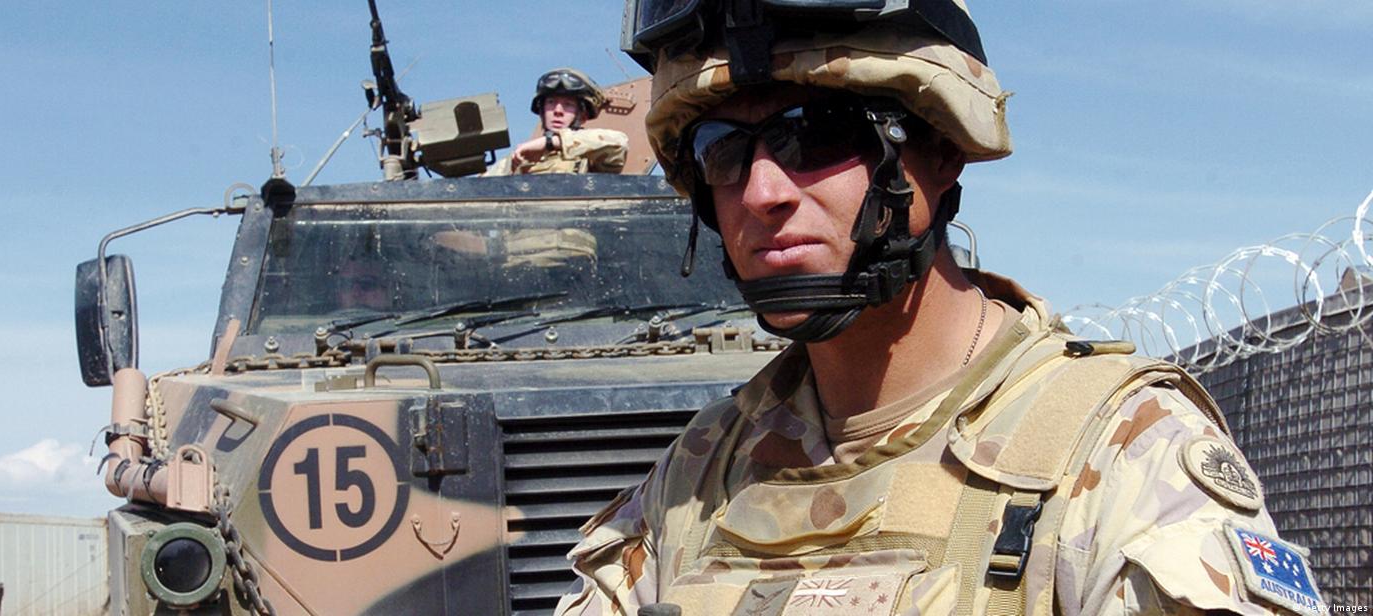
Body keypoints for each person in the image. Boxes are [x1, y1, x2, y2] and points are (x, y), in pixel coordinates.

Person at [555, 2, 1326, 615]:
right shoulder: (699, 473)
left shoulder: (1118, 457)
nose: (762, 193)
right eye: (723, 150)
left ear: (941, 150)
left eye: (813, 137)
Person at [484, 68, 629, 176]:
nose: (558, 111)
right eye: (551, 102)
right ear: (541, 111)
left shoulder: (589, 154)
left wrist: (549, 142)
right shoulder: (519, 158)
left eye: (568, 105)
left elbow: (619, 144)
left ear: (583, 116)